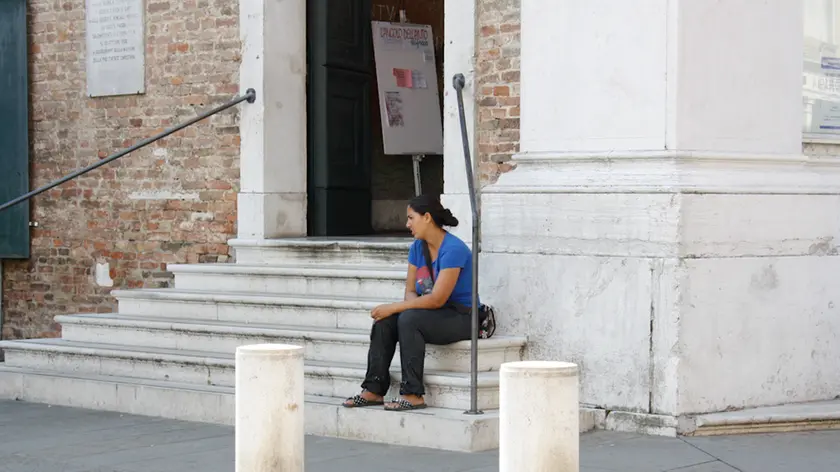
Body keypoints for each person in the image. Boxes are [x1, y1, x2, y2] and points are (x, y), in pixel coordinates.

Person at [342, 194, 479, 411]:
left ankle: (413, 393)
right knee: (385, 322)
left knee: (408, 319)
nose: (407, 224)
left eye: (411, 218)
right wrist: (398, 310)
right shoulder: (417, 248)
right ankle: (373, 390)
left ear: (426, 218)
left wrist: (395, 307)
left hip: (463, 317)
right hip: (432, 313)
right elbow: (410, 291)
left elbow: (437, 299)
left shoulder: (453, 249)